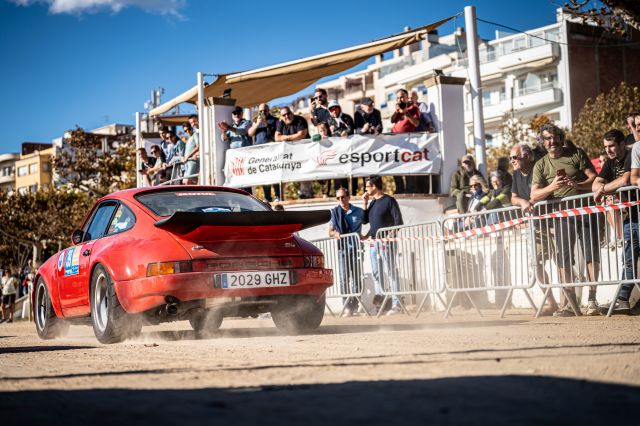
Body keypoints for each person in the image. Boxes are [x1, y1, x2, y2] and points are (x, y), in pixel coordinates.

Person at [531, 123, 599, 317]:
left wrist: (576, 184)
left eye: (555, 137)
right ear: (542, 142)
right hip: (561, 215)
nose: (552, 142)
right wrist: (552, 186)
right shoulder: (541, 164)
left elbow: (594, 179)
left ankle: (592, 298)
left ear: (561, 138)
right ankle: (570, 303)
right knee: (564, 257)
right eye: (547, 139)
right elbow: (534, 195)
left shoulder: (576, 153)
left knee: (590, 253)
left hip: (585, 208)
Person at [510, 142, 559, 315]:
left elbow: (543, 192)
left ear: (527, 157)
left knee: (562, 263)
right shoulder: (516, 174)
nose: (512, 161)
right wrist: (523, 202)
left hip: (553, 221)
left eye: (515, 157)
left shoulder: (539, 168)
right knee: (536, 264)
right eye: (510, 158)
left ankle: (569, 302)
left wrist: (532, 200)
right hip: (536, 225)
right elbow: (513, 198)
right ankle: (551, 302)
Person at [362, 175, 404, 315]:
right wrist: (365, 203)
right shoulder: (372, 202)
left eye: (367, 186)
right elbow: (365, 221)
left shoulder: (389, 200)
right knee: (376, 273)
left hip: (386, 244)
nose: (365, 189)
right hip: (374, 244)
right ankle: (382, 303)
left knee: (391, 272)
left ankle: (396, 303)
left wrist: (388, 237)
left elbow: (398, 222)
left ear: (373, 186)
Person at [329, 187, 364, 317]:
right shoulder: (335, 212)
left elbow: (369, 220)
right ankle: (346, 306)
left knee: (356, 279)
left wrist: (366, 235)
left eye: (343, 197)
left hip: (356, 249)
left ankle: (355, 305)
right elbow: (330, 231)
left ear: (348, 197)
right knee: (344, 279)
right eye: (338, 198)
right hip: (342, 250)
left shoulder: (359, 211)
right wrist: (335, 233)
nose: (341, 200)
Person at [275, 107, 312, 198]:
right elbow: (276, 138)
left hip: (303, 152)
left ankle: (306, 194)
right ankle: (280, 197)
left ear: (292, 113)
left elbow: (301, 134)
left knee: (305, 172)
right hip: (289, 154)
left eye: (288, 113)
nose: (287, 116)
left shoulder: (300, 120)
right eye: (284, 115)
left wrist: (285, 138)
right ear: (281, 116)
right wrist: (292, 137)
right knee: (283, 173)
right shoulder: (281, 122)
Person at [390, 89, 421, 194]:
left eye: (402, 97)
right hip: (396, 143)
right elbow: (392, 120)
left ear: (407, 97)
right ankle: (399, 189)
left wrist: (406, 113)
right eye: (398, 98)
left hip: (408, 144)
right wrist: (397, 111)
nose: (400, 99)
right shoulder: (398, 109)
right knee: (395, 166)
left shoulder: (413, 108)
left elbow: (416, 123)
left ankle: (410, 190)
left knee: (408, 167)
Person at [249, 103, 280, 202]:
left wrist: (267, 125)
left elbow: (276, 135)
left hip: (272, 151)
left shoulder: (274, 120)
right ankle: (267, 196)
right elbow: (250, 133)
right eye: (260, 111)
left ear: (268, 110)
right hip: (260, 152)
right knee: (264, 174)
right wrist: (257, 124)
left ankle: (277, 196)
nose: (263, 112)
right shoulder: (255, 120)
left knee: (274, 173)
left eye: (265, 110)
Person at [183, 117, 200, 184]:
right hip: (187, 162)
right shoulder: (188, 138)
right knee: (184, 182)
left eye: (188, 129)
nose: (187, 131)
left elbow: (198, 147)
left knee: (188, 181)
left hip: (193, 161)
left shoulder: (195, 134)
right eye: (185, 130)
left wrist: (188, 156)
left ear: (191, 128)